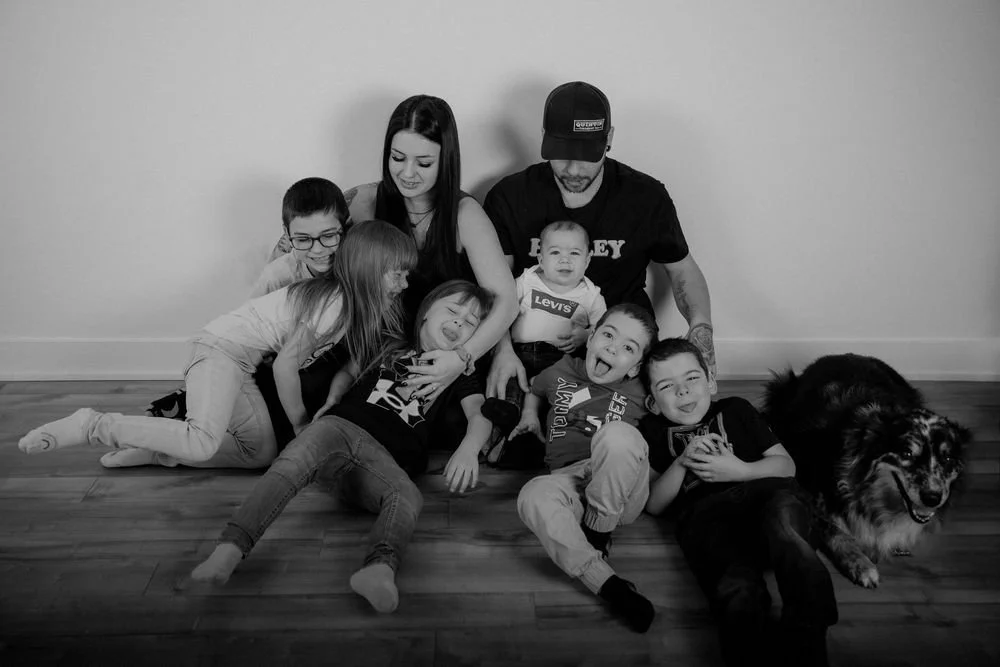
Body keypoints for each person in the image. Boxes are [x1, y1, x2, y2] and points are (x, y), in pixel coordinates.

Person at [182, 280, 495, 613]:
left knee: (407, 497)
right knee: (292, 462)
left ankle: (379, 569)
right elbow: (348, 371)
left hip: (386, 462)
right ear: (426, 312)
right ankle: (229, 550)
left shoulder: (461, 372)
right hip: (341, 427)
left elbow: (480, 413)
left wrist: (468, 448)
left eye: (472, 321)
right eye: (453, 310)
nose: (461, 321)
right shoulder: (389, 343)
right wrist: (333, 399)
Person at [17, 221, 416, 470]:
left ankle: (156, 449)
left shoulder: (347, 305)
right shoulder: (334, 305)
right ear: (368, 272)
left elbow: (349, 365)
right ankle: (93, 425)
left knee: (258, 453)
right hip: (219, 351)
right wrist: (298, 423)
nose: (404, 285)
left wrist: (332, 400)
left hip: (241, 363)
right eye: (396, 275)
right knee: (203, 439)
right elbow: (284, 367)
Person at [270, 95, 517, 411]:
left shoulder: (465, 214)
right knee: (305, 387)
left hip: (439, 347)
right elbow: (295, 243)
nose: (408, 173)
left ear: (446, 161)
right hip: (372, 347)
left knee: (471, 406)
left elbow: (505, 300)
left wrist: (461, 357)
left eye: (424, 163)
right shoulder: (364, 201)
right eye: (398, 158)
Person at [484, 80, 715, 407]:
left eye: (586, 156)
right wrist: (502, 351)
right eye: (562, 155)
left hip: (620, 349)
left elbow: (681, 271)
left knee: (651, 420)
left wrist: (700, 328)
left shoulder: (645, 197)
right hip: (532, 346)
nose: (574, 169)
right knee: (504, 427)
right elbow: (496, 286)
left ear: (609, 139)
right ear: (545, 139)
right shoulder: (510, 196)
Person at [640, 338, 837, 667]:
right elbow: (654, 505)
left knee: (788, 524)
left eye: (692, 379)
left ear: (711, 382)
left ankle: (808, 634)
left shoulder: (735, 410)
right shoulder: (651, 430)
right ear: (653, 403)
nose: (684, 392)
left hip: (764, 495)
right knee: (736, 588)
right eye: (667, 386)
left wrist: (740, 470)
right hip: (706, 516)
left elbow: (786, 466)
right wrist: (682, 462)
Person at [144, 177, 351, 425]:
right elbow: (253, 335)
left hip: (327, 357)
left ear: (344, 227)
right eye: (304, 239)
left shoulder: (355, 266)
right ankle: (193, 403)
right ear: (287, 235)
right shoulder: (279, 274)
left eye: (328, 236)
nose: (317, 250)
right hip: (282, 363)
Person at [512, 303, 659, 633]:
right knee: (532, 494)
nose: (612, 347)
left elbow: (677, 395)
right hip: (570, 482)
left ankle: (599, 531)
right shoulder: (559, 370)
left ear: (635, 368)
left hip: (622, 485)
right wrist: (530, 414)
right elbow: (535, 390)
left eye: (627, 348)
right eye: (608, 335)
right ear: (591, 339)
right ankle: (607, 584)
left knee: (617, 436)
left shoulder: (639, 389)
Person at [481, 220, 606, 437]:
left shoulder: (591, 296)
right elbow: (502, 307)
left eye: (575, 253)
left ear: (587, 261)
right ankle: (508, 410)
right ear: (541, 258)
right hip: (519, 354)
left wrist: (586, 335)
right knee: (512, 383)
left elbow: (604, 331)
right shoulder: (527, 281)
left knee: (558, 392)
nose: (564, 259)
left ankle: (545, 422)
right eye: (555, 252)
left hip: (559, 360)